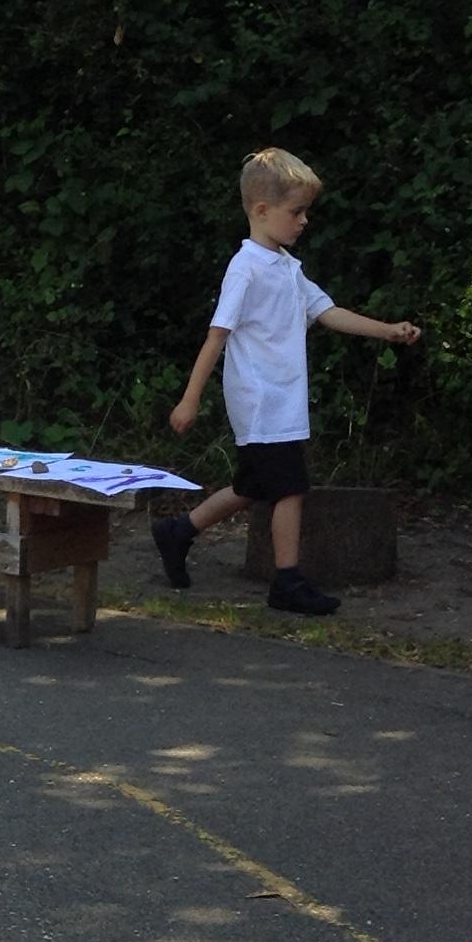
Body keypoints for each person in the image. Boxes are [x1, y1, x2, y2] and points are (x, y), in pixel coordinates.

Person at [152, 147, 421, 615]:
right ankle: (287, 582)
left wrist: (387, 331)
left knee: (252, 487)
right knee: (290, 487)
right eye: (296, 212)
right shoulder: (246, 269)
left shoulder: (287, 269)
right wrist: (189, 400)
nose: (303, 221)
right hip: (261, 401)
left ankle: (177, 532)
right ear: (262, 210)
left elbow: (328, 312)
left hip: (282, 400)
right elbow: (216, 337)